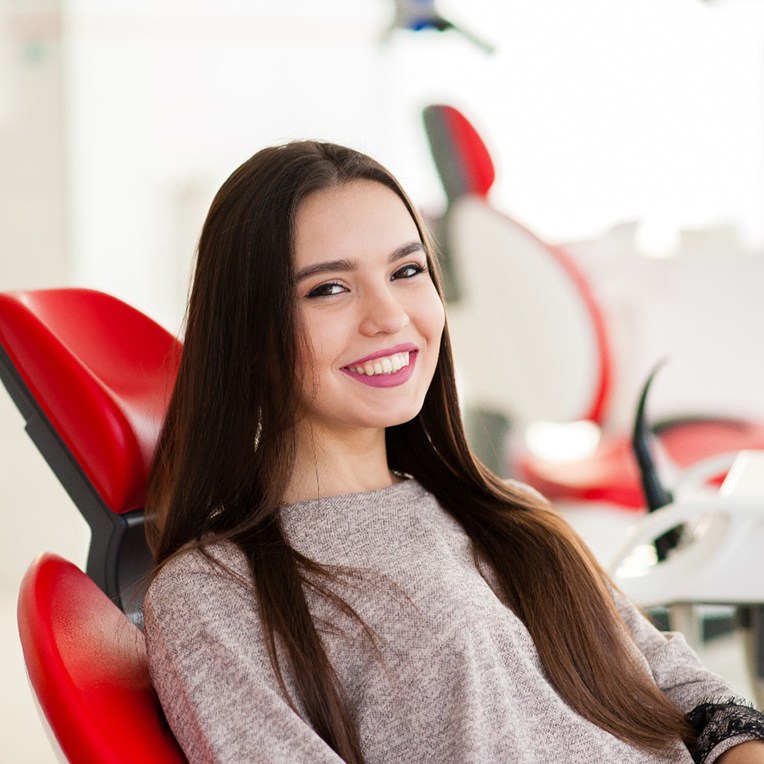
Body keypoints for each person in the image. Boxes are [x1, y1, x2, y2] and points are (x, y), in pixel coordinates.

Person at [143, 141, 764, 764]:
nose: (389, 317)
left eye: (406, 272)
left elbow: (690, 695)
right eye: (330, 288)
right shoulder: (212, 593)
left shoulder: (510, 514)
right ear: (249, 334)